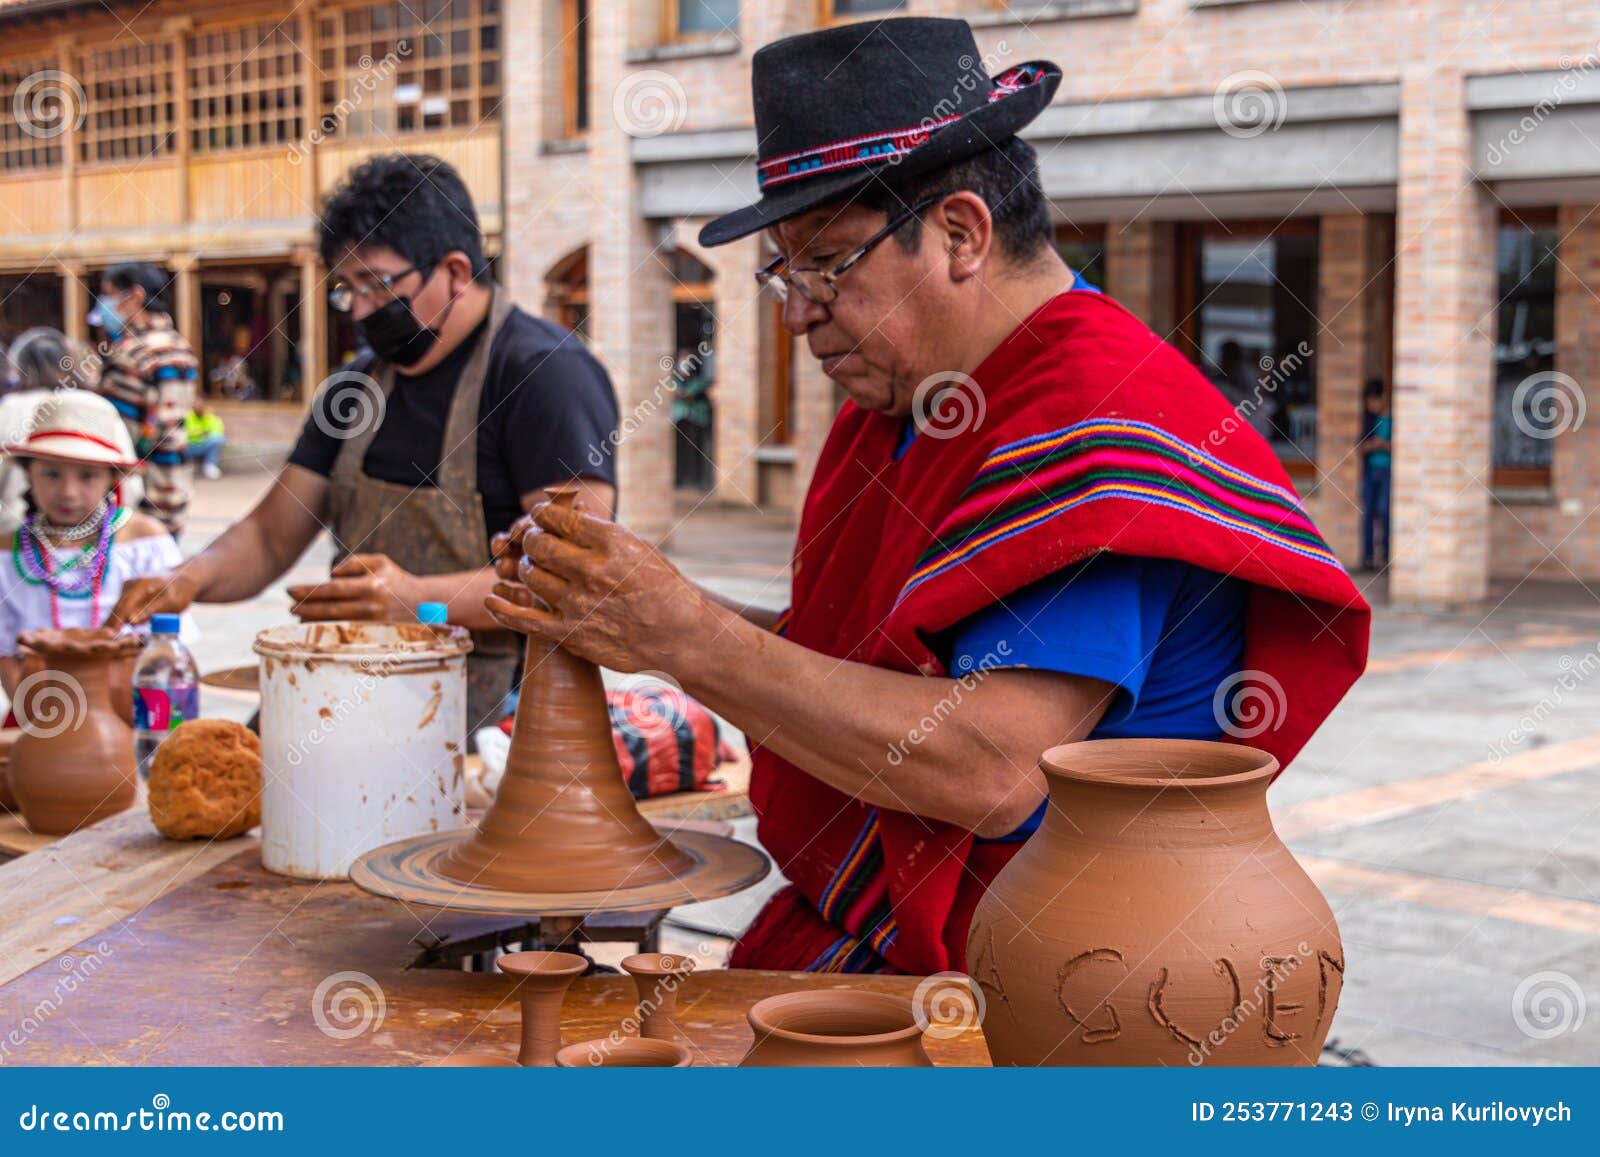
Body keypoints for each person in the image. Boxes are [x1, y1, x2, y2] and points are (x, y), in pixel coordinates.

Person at [483, 17, 1371, 975]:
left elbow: (991, 764)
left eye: (828, 262)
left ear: (959, 233)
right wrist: (635, 611)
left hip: (1048, 979)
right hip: (876, 931)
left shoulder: (1101, 421)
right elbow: (866, 658)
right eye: (783, 269)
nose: (798, 312)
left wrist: (684, 634)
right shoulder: (917, 396)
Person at [110, 153, 621, 735]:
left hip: (499, 715)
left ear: (455, 270)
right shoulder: (357, 385)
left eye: (376, 286)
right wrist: (190, 577)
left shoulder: (544, 375)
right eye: (345, 290)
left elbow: (581, 575)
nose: (359, 310)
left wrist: (417, 599)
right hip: (346, 682)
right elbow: (271, 533)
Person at [0, 391, 193, 709]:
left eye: (87, 476)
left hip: (134, 713)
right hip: (41, 715)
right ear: (27, 473)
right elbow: (6, 655)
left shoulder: (145, 543)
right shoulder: (8, 553)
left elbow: (169, 647)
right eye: (51, 474)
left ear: (112, 479)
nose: (68, 492)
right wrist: (37, 721)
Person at [91, 262, 199, 538]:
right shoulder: (180, 346)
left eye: (110, 294)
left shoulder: (131, 353)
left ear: (135, 296)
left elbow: (119, 433)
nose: (106, 305)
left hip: (139, 499)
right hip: (175, 488)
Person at [1359, 380, 1392, 571]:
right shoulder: (1368, 420)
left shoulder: (1394, 419)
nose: (1372, 406)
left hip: (1388, 472)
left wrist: (1383, 445)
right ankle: (1368, 557)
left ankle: (1387, 556)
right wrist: (1373, 445)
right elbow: (1362, 445)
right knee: (1368, 513)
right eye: (1369, 402)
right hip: (1371, 472)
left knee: (1386, 512)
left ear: (1383, 399)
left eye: (1375, 401)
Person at [185, 398, 227, 480]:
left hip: (204, 444)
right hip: (188, 447)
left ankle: (210, 466)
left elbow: (218, 429)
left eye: (200, 406)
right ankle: (183, 467)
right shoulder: (187, 417)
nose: (198, 408)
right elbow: (185, 432)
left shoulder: (209, 416)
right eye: (196, 406)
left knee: (217, 439)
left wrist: (200, 433)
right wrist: (201, 432)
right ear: (192, 407)